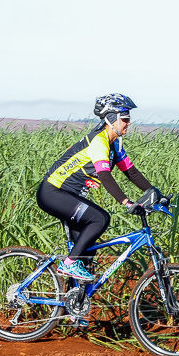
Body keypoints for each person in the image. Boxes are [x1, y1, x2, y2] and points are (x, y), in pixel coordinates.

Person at [36, 93, 153, 282]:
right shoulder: (99, 141)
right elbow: (105, 176)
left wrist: (154, 193)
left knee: (87, 255)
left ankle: (73, 305)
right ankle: (68, 264)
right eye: (125, 119)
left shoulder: (114, 145)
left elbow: (131, 172)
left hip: (68, 195)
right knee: (100, 218)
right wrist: (126, 202)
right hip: (52, 192)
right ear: (112, 119)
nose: (128, 123)